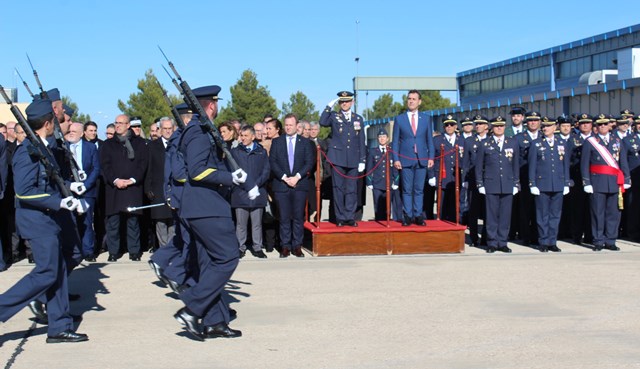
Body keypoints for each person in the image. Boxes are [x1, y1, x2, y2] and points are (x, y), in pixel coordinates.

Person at [0, 98, 88, 343]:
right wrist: (59, 202)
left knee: (57, 270)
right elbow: (24, 191)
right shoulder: (26, 151)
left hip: (47, 219)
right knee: (47, 272)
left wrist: (71, 186)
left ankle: (59, 325)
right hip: (35, 221)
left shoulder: (41, 147)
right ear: (48, 123)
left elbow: (47, 183)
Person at [175, 85, 248, 340]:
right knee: (228, 257)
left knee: (209, 265)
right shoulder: (198, 132)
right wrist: (230, 178)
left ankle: (215, 320)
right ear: (211, 105)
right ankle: (192, 307)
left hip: (201, 207)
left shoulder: (201, 130)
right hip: (207, 208)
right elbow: (196, 171)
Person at [99, 114, 149, 261]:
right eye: (116, 123)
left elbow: (142, 164)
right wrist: (115, 180)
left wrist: (132, 180)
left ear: (128, 125)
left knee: (132, 222)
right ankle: (114, 252)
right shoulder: (108, 144)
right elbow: (105, 165)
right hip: (114, 188)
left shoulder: (139, 143)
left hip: (132, 188)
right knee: (113, 222)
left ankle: (134, 251)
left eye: (121, 123)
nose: (118, 125)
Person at [581, 114, 631, 251]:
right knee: (597, 213)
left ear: (609, 125)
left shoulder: (617, 140)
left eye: (605, 124)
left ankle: (610, 240)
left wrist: (626, 178)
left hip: (615, 182)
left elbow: (623, 161)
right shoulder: (591, 141)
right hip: (597, 182)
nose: (602, 126)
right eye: (599, 124)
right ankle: (598, 240)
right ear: (596, 127)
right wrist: (587, 182)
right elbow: (584, 164)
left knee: (613, 213)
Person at [269, 114, 315, 257]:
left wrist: (297, 177)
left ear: (297, 126)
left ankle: (297, 246)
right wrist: (284, 178)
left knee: (297, 217)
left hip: (299, 185)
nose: (288, 127)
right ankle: (285, 246)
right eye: (286, 125)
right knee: (283, 217)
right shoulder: (277, 142)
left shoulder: (305, 143)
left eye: (291, 125)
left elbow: (309, 162)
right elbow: (273, 162)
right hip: (281, 185)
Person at [320, 91, 366, 227]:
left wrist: (362, 159)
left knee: (351, 189)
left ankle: (349, 217)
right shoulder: (334, 116)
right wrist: (328, 107)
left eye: (347, 101)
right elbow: (322, 122)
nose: (344, 104)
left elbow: (361, 140)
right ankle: (340, 217)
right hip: (338, 158)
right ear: (339, 103)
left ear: (352, 102)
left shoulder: (358, 118)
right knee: (338, 189)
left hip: (353, 158)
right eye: (342, 102)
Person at [475, 116, 520, 253]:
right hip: (491, 184)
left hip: (507, 183)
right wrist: (480, 184)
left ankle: (503, 242)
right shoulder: (485, 144)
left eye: (501, 126)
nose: (499, 128)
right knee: (491, 215)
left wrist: (516, 184)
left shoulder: (512, 143)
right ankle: (492, 242)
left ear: (505, 127)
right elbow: (478, 166)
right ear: (491, 128)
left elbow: (515, 165)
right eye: (496, 126)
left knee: (505, 216)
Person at [392, 90, 435, 226]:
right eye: (409, 99)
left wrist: (431, 157)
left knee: (419, 189)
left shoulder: (426, 118)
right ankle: (408, 215)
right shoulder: (400, 119)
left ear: (419, 102)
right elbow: (395, 141)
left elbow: (430, 140)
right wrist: (396, 159)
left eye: (414, 99)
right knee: (406, 189)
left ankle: (418, 215)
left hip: (422, 158)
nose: (411, 101)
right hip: (405, 159)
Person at [528, 117, 570, 252]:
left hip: (557, 183)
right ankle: (543, 241)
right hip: (542, 184)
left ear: (555, 128)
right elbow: (532, 165)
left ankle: (553, 241)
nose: (545, 128)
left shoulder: (562, 143)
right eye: (544, 126)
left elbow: (565, 165)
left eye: (548, 126)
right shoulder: (536, 143)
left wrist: (566, 183)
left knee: (555, 215)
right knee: (542, 215)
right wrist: (532, 183)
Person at [231, 125, 270, 259]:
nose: (243, 138)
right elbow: (233, 170)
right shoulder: (235, 152)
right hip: (241, 192)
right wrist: (245, 185)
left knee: (257, 223)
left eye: (246, 135)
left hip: (257, 192)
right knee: (241, 224)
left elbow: (266, 170)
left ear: (253, 137)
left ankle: (257, 247)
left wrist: (255, 185)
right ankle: (240, 247)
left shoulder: (261, 152)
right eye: (242, 135)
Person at [66, 122, 101, 261]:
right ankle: (73, 250)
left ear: (82, 133)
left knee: (87, 221)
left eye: (75, 131)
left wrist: (85, 186)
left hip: (87, 191)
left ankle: (88, 251)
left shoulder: (91, 147)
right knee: (70, 221)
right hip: (69, 191)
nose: (71, 133)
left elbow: (96, 169)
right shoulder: (63, 148)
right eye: (70, 131)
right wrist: (70, 185)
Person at [144, 117, 176, 249]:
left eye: (170, 128)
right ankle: (164, 249)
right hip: (157, 188)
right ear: (160, 130)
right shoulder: (152, 146)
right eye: (165, 129)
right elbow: (148, 168)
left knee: (174, 221)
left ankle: (172, 249)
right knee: (160, 221)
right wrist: (147, 188)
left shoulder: (178, 144)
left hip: (175, 188)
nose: (168, 131)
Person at [514, 111, 541, 246]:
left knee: (539, 209)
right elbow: (515, 160)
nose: (533, 123)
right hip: (524, 177)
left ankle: (537, 236)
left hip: (541, 178)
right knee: (525, 209)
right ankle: (525, 236)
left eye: (535, 120)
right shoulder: (519, 138)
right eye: (530, 120)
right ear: (526, 122)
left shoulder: (543, 136)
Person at [462, 115, 490, 247]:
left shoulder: (491, 140)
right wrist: (465, 180)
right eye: (476, 124)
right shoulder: (469, 141)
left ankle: (485, 237)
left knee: (487, 211)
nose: (477, 126)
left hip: (489, 180)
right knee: (473, 210)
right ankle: (473, 238)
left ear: (486, 126)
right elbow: (466, 163)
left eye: (480, 124)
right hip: (473, 180)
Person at [430, 115, 463, 222]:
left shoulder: (461, 140)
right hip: (441, 178)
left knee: (454, 206)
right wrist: (431, 176)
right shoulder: (437, 140)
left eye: (451, 125)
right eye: (446, 125)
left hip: (456, 178)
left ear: (456, 126)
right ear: (444, 127)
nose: (449, 127)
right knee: (441, 205)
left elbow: (465, 160)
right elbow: (431, 159)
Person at [569, 114, 594, 245]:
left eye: (588, 123)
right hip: (577, 178)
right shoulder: (573, 139)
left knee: (591, 209)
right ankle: (577, 235)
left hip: (594, 179)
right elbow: (567, 160)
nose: (585, 125)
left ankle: (590, 235)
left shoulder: (596, 140)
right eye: (582, 123)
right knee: (577, 209)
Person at [366, 129, 401, 221]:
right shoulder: (373, 151)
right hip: (377, 183)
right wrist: (369, 181)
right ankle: (379, 224)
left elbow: (395, 168)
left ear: (388, 138)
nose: (382, 139)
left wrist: (396, 181)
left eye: (384, 137)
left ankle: (387, 222)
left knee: (388, 207)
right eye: (380, 137)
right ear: (377, 139)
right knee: (378, 207)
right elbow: (369, 168)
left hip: (389, 183)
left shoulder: (392, 152)